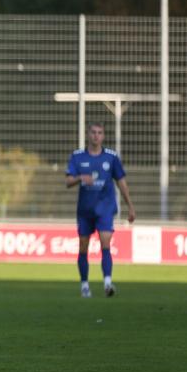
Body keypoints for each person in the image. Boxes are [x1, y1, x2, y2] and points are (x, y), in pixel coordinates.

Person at [65, 122, 136, 298]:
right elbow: (68, 182)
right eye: (93, 132)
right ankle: (84, 285)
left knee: (106, 244)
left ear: (103, 136)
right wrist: (81, 177)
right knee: (83, 247)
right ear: (88, 134)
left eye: (100, 133)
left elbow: (122, 183)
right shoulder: (78, 156)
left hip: (105, 209)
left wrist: (130, 206)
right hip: (85, 210)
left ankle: (107, 283)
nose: (96, 135)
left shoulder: (111, 157)